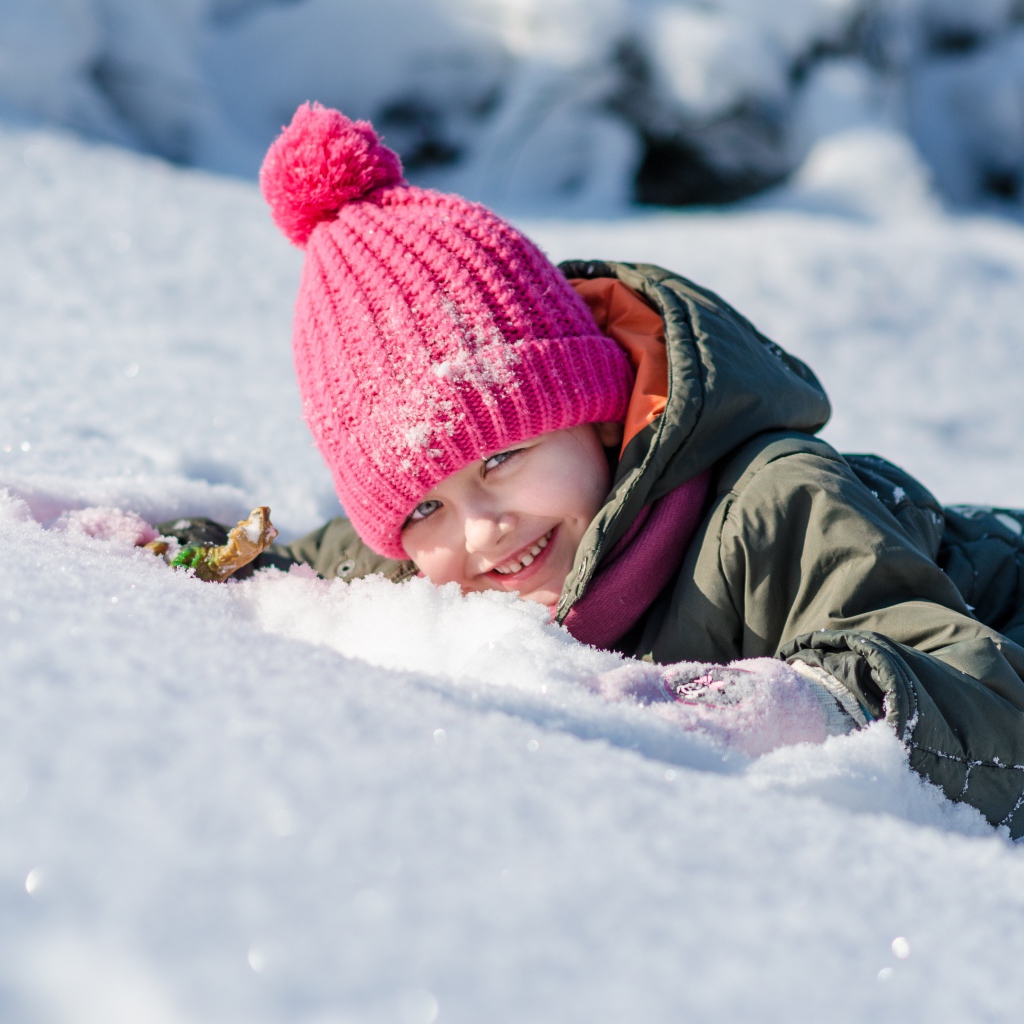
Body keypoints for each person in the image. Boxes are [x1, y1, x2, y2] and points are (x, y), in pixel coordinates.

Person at [162, 102, 1024, 834]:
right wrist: (190, 553)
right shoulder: (429, 556)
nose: (480, 525)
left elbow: (986, 703)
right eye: (423, 507)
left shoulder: (774, 508)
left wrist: (812, 707)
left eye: (503, 457)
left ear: (598, 415)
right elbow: (317, 563)